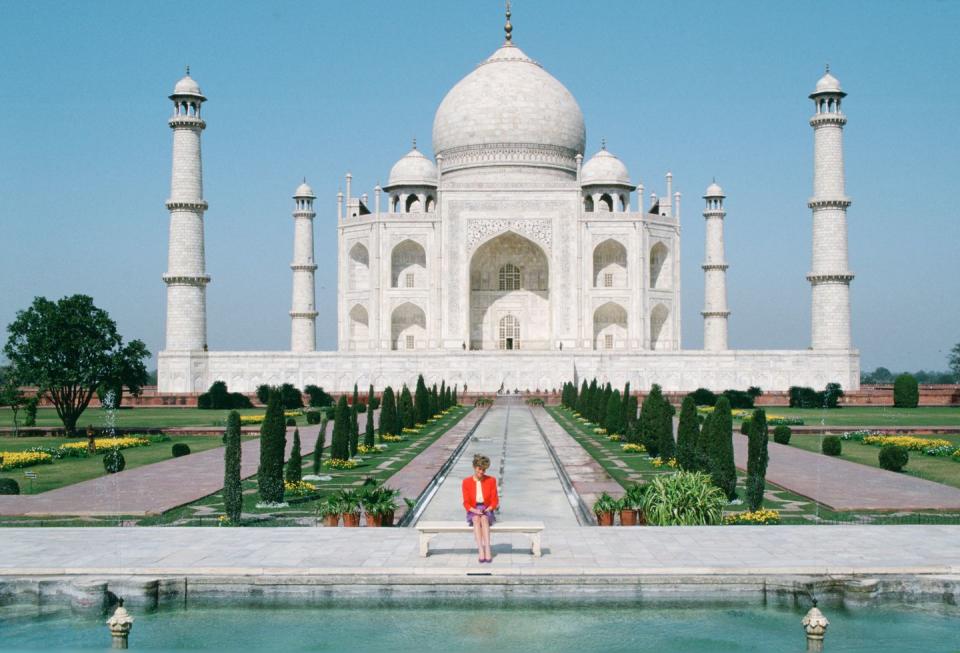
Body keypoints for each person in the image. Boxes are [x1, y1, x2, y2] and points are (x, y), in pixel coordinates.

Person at [462, 453, 499, 563]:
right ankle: (480, 550)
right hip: (473, 509)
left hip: (487, 509)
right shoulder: (466, 482)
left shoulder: (491, 480)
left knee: (484, 518)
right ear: (474, 467)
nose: (481, 472)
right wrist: (474, 510)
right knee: (476, 519)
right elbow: (466, 502)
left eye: (484, 470)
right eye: (479, 469)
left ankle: (487, 548)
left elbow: (495, 501)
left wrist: (488, 509)